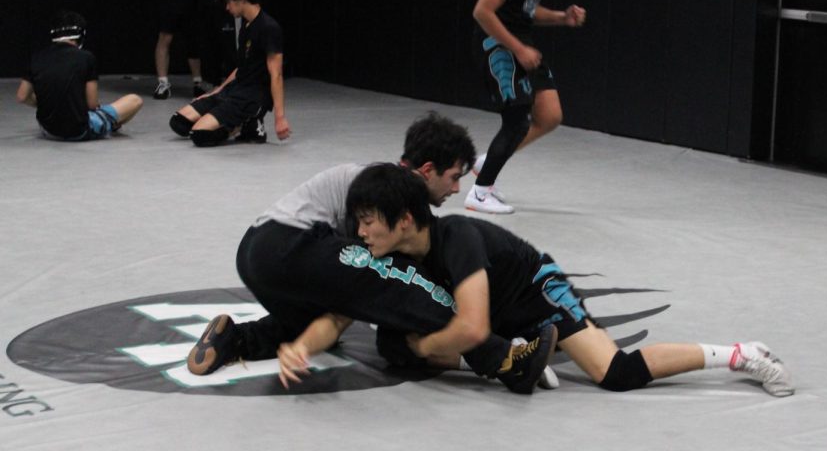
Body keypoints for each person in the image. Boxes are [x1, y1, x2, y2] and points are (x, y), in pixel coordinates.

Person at [282, 164, 796, 397]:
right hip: (499, 317)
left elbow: (475, 326)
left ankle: (737, 354)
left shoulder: (456, 237)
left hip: (536, 293)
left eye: (370, 219)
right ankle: (525, 355)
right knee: (393, 340)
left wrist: (425, 344)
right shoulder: (389, 252)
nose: (360, 230)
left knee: (613, 373)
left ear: (406, 221)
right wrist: (301, 346)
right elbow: (340, 311)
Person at [185, 113, 556, 394]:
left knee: (319, 326)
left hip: (258, 250)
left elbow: (349, 298)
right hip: (288, 242)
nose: (456, 189)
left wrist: (305, 344)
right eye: (454, 177)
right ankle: (507, 359)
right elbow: (374, 279)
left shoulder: (382, 186)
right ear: (428, 171)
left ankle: (237, 339)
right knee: (403, 282)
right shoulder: (383, 194)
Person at [466, 0, 586, 214]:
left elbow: (525, 10)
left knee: (550, 116)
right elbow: (482, 11)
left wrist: (562, 17)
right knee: (517, 121)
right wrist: (518, 48)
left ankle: (487, 163)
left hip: (520, 43)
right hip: (498, 48)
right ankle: (479, 194)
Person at [168, 0, 290, 146]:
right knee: (179, 122)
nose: (227, 7)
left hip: (251, 96)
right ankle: (231, 119)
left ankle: (245, 123)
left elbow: (276, 74)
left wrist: (280, 118)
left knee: (199, 134)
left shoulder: (269, 28)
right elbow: (241, 67)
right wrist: (217, 91)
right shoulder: (246, 25)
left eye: (229, 1)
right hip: (235, 89)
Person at [15, 11, 143, 141]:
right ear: (80, 35)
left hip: (48, 130)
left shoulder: (37, 57)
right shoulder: (86, 58)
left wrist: (48, 103)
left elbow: (22, 96)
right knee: (134, 100)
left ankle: (106, 123)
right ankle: (108, 125)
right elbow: (92, 104)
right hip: (79, 131)